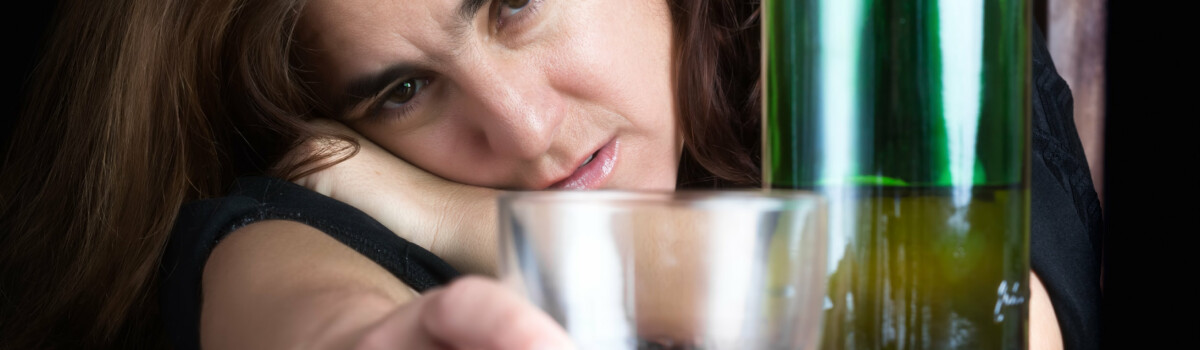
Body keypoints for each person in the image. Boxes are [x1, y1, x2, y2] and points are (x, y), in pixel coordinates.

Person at [0, 0, 1099, 349]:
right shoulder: (322, 200)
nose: (521, 127)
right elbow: (285, 289)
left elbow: (972, 313)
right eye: (402, 89)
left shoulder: (869, 37)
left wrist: (449, 210)